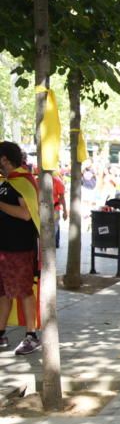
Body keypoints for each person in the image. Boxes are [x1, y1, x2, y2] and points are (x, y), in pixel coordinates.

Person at [0, 142, 41, 356]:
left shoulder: (23, 181)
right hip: (3, 249)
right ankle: (1, 334)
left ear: (5, 159)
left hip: (19, 248)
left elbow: (26, 214)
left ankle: (31, 336)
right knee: (3, 293)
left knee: (24, 291)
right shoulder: (5, 182)